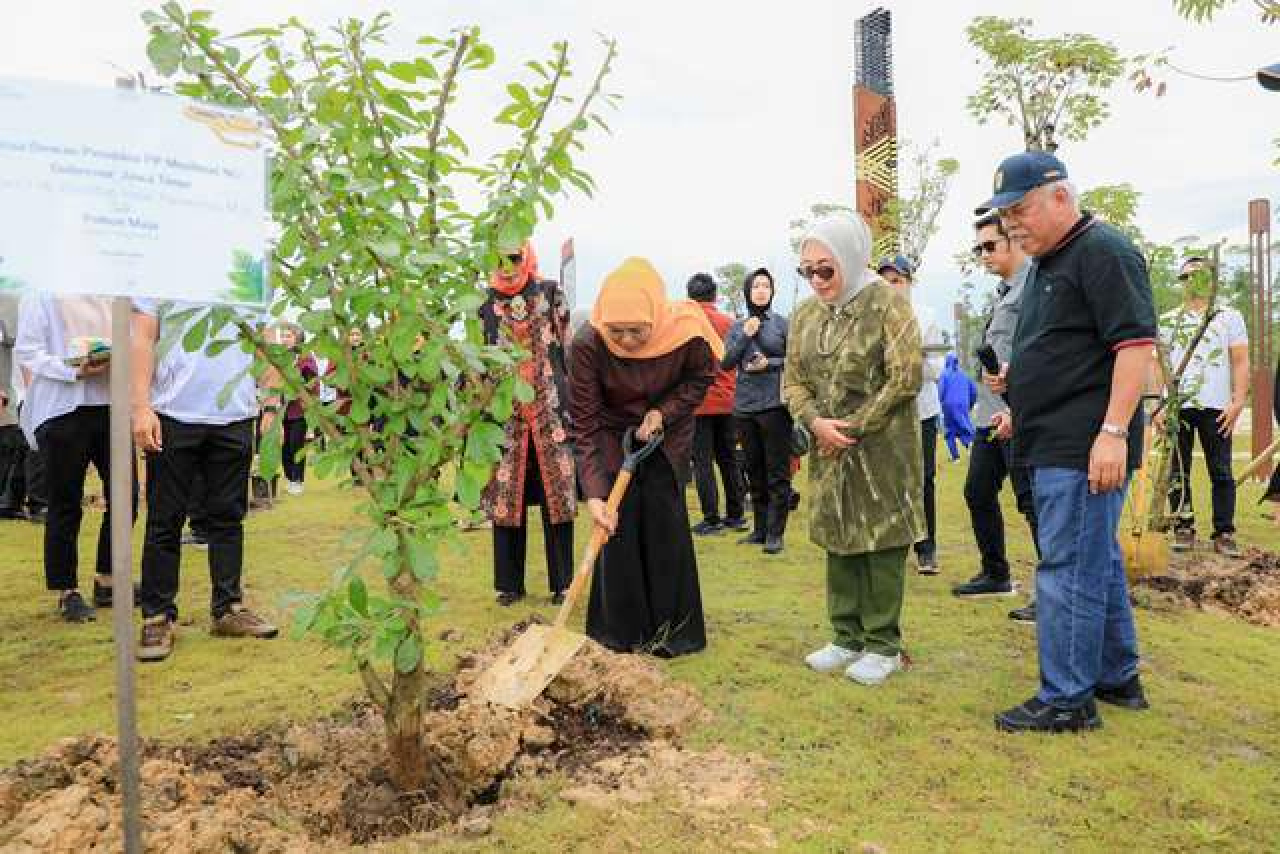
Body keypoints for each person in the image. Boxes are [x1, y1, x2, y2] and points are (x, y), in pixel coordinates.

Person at [981, 151, 1156, 733]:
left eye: (1021, 210)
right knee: (1096, 563)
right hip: (1051, 435)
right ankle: (1115, 676)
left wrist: (1112, 433)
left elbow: (1133, 347)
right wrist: (1016, 386)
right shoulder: (1050, 264)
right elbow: (1062, 350)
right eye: (1006, 216)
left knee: (1066, 569)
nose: (1014, 226)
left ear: (1060, 195)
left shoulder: (1103, 251)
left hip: (1085, 445)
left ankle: (1066, 699)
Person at [785, 211, 924, 687]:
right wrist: (816, 424)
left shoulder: (888, 304)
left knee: (882, 538)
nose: (817, 280)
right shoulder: (804, 314)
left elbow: (905, 377)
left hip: (883, 447)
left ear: (851, 257)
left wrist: (853, 427)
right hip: (828, 446)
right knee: (838, 534)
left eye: (827, 269)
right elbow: (793, 382)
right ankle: (845, 635)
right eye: (808, 271)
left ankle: (883, 644)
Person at [569, 257, 719, 657]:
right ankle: (619, 634)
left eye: (637, 331)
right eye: (616, 332)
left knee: (664, 524)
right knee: (615, 528)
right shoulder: (587, 342)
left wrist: (662, 412)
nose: (627, 341)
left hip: (665, 435)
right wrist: (595, 493)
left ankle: (674, 633)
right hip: (609, 433)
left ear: (655, 315)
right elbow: (583, 423)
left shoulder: (687, 334)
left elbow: (700, 379)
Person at [132, 299, 278, 662]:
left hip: (235, 414)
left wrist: (271, 402)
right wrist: (140, 406)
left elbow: (264, 338)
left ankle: (228, 608)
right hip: (173, 413)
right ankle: (157, 615)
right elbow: (143, 336)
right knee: (165, 519)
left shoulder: (246, 272)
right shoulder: (161, 268)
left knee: (228, 517)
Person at [16, 295, 137, 622]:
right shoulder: (44, 292)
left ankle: (108, 578)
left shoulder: (112, 294)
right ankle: (65, 590)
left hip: (111, 406)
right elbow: (27, 351)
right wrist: (70, 370)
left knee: (127, 497)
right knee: (65, 502)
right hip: (62, 408)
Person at [480, 242, 577, 606]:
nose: (508, 265)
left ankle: (563, 583)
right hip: (505, 414)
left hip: (550, 410)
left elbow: (567, 348)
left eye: (515, 257)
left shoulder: (551, 292)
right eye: (501, 258)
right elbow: (479, 357)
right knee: (507, 501)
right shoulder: (483, 301)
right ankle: (509, 584)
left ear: (526, 257)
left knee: (558, 500)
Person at [953, 213, 1040, 620]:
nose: (983, 255)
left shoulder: (1034, 289)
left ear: (1015, 242)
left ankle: (1051, 593)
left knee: (1034, 504)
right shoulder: (1006, 291)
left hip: (1018, 414)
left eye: (990, 246)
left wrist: (1017, 409)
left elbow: (1038, 354)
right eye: (979, 248)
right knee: (977, 492)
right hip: (990, 416)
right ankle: (995, 573)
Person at [1159, 256, 1250, 557]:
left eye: (1199, 276)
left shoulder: (1228, 317)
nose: (1192, 282)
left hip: (1217, 407)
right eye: (1186, 277)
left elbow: (1240, 361)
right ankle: (1183, 526)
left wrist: (1238, 402)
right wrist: (1160, 406)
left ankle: (1224, 532)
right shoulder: (1170, 321)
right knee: (1178, 469)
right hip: (1178, 405)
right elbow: (1160, 367)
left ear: (1210, 281)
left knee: (1221, 470)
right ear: (1181, 282)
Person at [877, 254, 944, 574]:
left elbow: (935, 368)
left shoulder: (926, 317)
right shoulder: (870, 317)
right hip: (884, 413)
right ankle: (890, 545)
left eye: (897, 280)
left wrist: (907, 360)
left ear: (909, 283)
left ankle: (926, 547)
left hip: (921, 411)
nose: (891, 287)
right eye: (885, 281)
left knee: (922, 479)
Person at [721, 267, 793, 554]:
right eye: (756, 286)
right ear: (748, 292)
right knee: (753, 470)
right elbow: (726, 364)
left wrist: (771, 364)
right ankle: (760, 529)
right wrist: (744, 336)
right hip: (744, 407)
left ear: (773, 291)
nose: (761, 291)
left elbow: (796, 360)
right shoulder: (737, 326)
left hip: (775, 405)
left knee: (777, 471)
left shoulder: (782, 324)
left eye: (766, 286)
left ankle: (776, 533)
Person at [686, 272, 747, 536]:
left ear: (690, 296)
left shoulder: (687, 324)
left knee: (703, 462)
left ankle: (711, 519)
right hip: (728, 399)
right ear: (715, 295)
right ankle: (735, 515)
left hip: (699, 403)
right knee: (729, 458)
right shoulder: (730, 323)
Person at [279, 324, 318, 496]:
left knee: (296, 446)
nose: (284, 339)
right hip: (282, 410)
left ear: (298, 338)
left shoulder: (305, 357)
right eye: (283, 336)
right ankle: (289, 478)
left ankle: (298, 480)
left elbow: (312, 382)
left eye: (288, 336)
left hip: (299, 410)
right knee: (284, 447)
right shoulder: (279, 357)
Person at [0, 293, 26, 520]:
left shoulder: (8, 300)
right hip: (6, 392)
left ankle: (8, 502)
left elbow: (14, 337)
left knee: (12, 443)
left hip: (9, 390)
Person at [937, 353, 976, 461]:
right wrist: (970, 405)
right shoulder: (965, 374)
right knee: (963, 426)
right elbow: (973, 391)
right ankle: (970, 443)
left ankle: (955, 457)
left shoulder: (944, 374)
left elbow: (941, 392)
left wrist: (941, 404)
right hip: (964, 404)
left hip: (949, 406)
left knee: (950, 431)